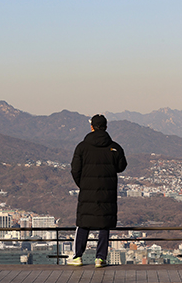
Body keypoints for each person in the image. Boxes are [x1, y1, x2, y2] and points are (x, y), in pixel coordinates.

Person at [67, 114, 127, 268]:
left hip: (88, 191)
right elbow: (121, 166)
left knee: (83, 223)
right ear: (106, 127)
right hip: (107, 192)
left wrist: (83, 184)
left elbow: (75, 169)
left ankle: (78, 256)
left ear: (92, 127)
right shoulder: (114, 147)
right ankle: (100, 258)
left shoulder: (82, 147)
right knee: (104, 224)